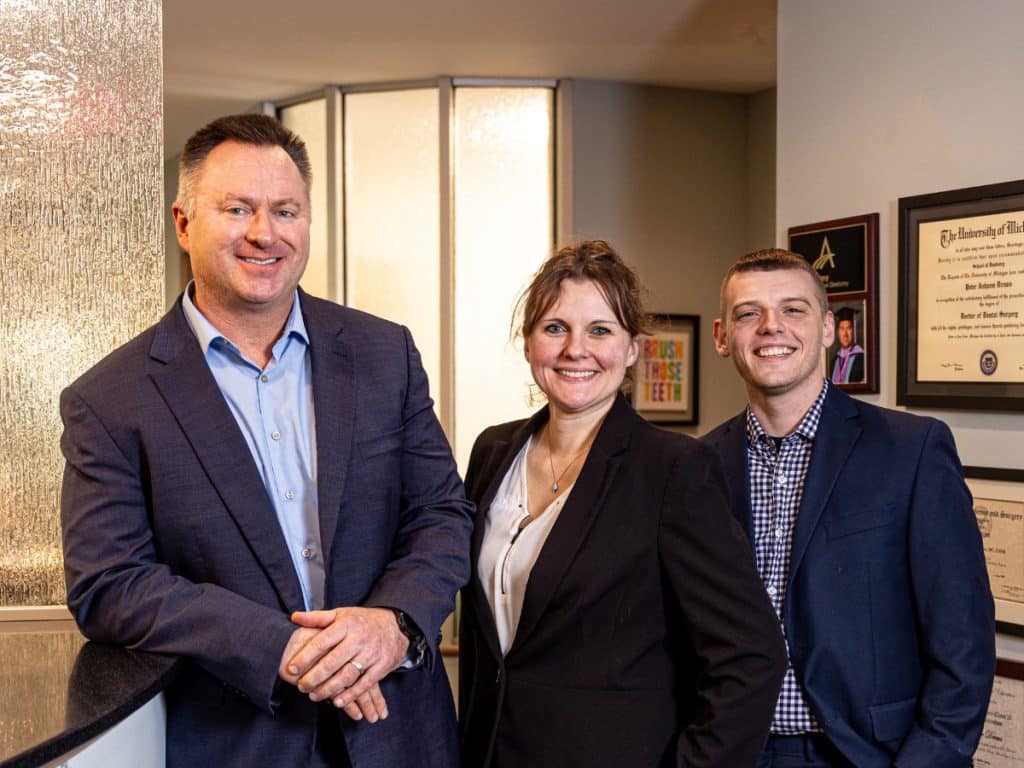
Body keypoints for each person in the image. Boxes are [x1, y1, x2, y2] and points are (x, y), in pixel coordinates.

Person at [59, 114, 474, 768]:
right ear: (183, 223)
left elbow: (441, 513)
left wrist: (393, 622)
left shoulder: (384, 353)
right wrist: (276, 645)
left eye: (286, 211)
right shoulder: (110, 399)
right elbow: (109, 584)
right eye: (237, 209)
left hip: (398, 733)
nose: (265, 233)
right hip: (239, 740)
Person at [458, 240, 787, 768]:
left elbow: (751, 657)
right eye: (555, 328)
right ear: (528, 343)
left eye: (600, 331)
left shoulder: (673, 469)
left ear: (632, 348)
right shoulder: (493, 451)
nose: (575, 350)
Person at [704, 248, 995, 768]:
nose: (771, 326)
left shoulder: (911, 451)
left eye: (793, 309)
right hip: (733, 753)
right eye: (749, 313)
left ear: (827, 329)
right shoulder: (696, 466)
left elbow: (963, 641)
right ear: (723, 337)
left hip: (866, 756)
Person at [829, 306, 864, 384]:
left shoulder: (862, 360)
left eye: (848, 328)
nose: (845, 334)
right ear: (838, 333)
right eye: (842, 328)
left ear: (854, 331)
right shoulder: (833, 362)